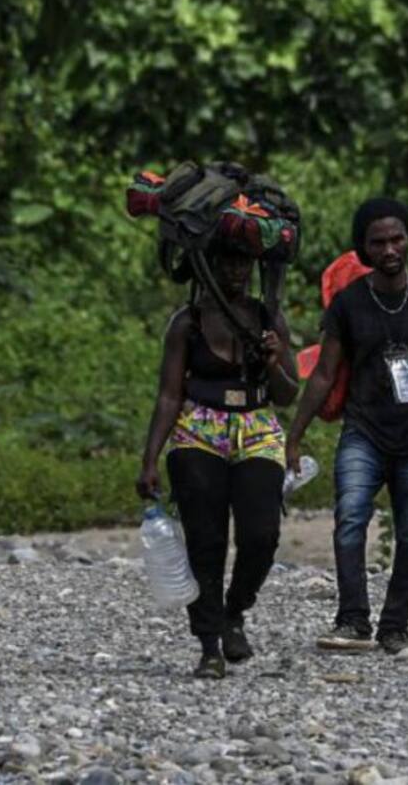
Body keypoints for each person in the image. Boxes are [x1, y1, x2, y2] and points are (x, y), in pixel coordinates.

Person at [285, 197, 408, 656]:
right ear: (364, 248)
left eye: (398, 239)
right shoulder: (349, 304)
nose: (391, 249)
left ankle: (395, 627)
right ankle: (352, 620)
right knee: (350, 519)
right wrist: (294, 435)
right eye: (379, 242)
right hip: (364, 430)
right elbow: (324, 374)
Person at [136, 240, 299, 680]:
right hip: (199, 430)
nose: (235, 270)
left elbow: (288, 394)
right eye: (226, 260)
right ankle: (209, 644)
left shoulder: (268, 319)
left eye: (243, 261)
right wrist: (150, 459)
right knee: (205, 539)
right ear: (207, 265)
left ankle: (235, 609)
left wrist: (275, 360)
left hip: (257, 428)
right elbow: (169, 395)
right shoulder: (187, 323)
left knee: (261, 534)